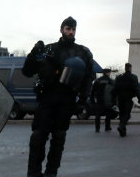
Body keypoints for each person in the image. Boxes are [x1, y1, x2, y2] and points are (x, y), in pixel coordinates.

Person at [22, 16, 94, 177]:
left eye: (73, 29)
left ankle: (51, 173)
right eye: (68, 28)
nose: (71, 32)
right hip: (47, 98)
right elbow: (27, 71)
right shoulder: (48, 49)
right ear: (61, 29)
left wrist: (82, 100)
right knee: (38, 137)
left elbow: (88, 78)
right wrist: (33, 54)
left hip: (67, 100)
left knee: (59, 138)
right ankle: (33, 173)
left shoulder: (82, 52)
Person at [113, 62, 140, 137]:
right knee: (127, 114)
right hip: (128, 98)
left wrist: (114, 99)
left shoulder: (119, 77)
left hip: (120, 98)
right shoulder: (133, 77)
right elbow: (136, 89)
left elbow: (115, 88)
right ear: (130, 68)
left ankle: (123, 131)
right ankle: (121, 126)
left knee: (122, 114)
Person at [90, 68, 116, 133]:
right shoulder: (110, 81)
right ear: (107, 73)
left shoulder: (97, 80)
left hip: (99, 99)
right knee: (108, 113)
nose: (110, 74)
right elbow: (113, 91)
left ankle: (97, 128)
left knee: (98, 114)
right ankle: (107, 127)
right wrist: (114, 101)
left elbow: (93, 91)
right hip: (107, 99)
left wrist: (92, 99)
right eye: (109, 72)